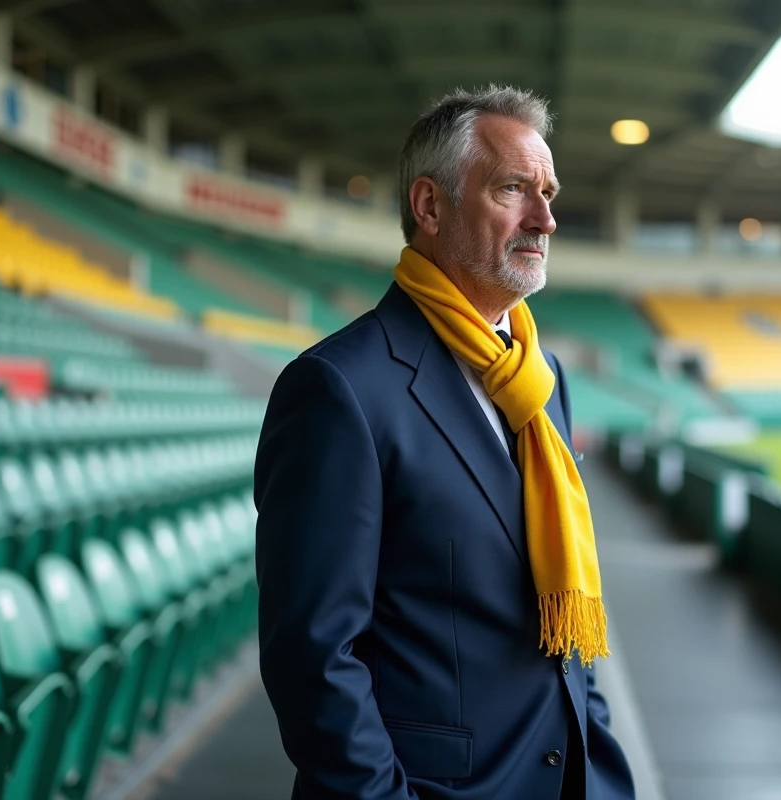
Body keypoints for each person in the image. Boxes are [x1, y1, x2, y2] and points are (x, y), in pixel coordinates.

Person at [254, 85, 634, 800]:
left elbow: (564, 621)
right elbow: (314, 660)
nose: (546, 218)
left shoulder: (541, 376)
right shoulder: (338, 389)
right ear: (430, 207)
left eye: (548, 192)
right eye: (514, 189)